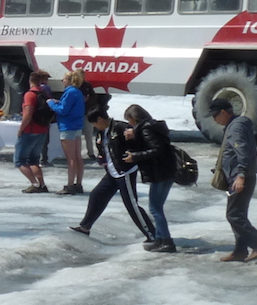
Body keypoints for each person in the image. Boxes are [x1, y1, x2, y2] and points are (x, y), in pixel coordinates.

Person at [69, 108, 155, 242]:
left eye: (94, 124)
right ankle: (85, 227)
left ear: (100, 119)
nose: (94, 127)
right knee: (97, 195)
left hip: (125, 172)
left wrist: (133, 155)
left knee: (131, 205)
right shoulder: (101, 133)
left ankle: (152, 235)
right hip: (112, 172)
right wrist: (102, 158)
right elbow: (104, 150)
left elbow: (139, 142)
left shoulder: (120, 128)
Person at [210, 97, 257, 261]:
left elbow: (243, 151)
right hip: (238, 176)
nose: (214, 119)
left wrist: (241, 175)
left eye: (215, 115)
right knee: (239, 214)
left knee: (234, 215)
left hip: (240, 177)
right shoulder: (236, 124)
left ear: (223, 112)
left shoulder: (236, 127)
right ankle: (240, 251)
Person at [124, 103, 177, 252]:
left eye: (129, 120)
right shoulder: (151, 127)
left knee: (155, 208)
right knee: (156, 206)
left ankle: (166, 241)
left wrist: (135, 157)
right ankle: (159, 239)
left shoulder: (146, 129)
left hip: (161, 172)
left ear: (134, 118)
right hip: (166, 170)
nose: (129, 124)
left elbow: (157, 149)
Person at [49, 70, 86, 195]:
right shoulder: (78, 92)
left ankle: (70, 185)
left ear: (69, 81)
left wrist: (51, 104)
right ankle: (78, 183)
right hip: (77, 126)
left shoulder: (69, 92)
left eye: (64, 79)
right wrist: (59, 102)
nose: (62, 81)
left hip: (67, 127)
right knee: (77, 156)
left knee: (70, 158)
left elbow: (63, 110)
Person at [15, 70, 52, 193]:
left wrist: (21, 129)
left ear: (30, 81)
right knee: (34, 160)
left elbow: (28, 115)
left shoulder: (30, 95)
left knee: (20, 161)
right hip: (43, 130)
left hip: (30, 131)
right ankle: (42, 184)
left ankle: (34, 184)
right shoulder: (45, 93)